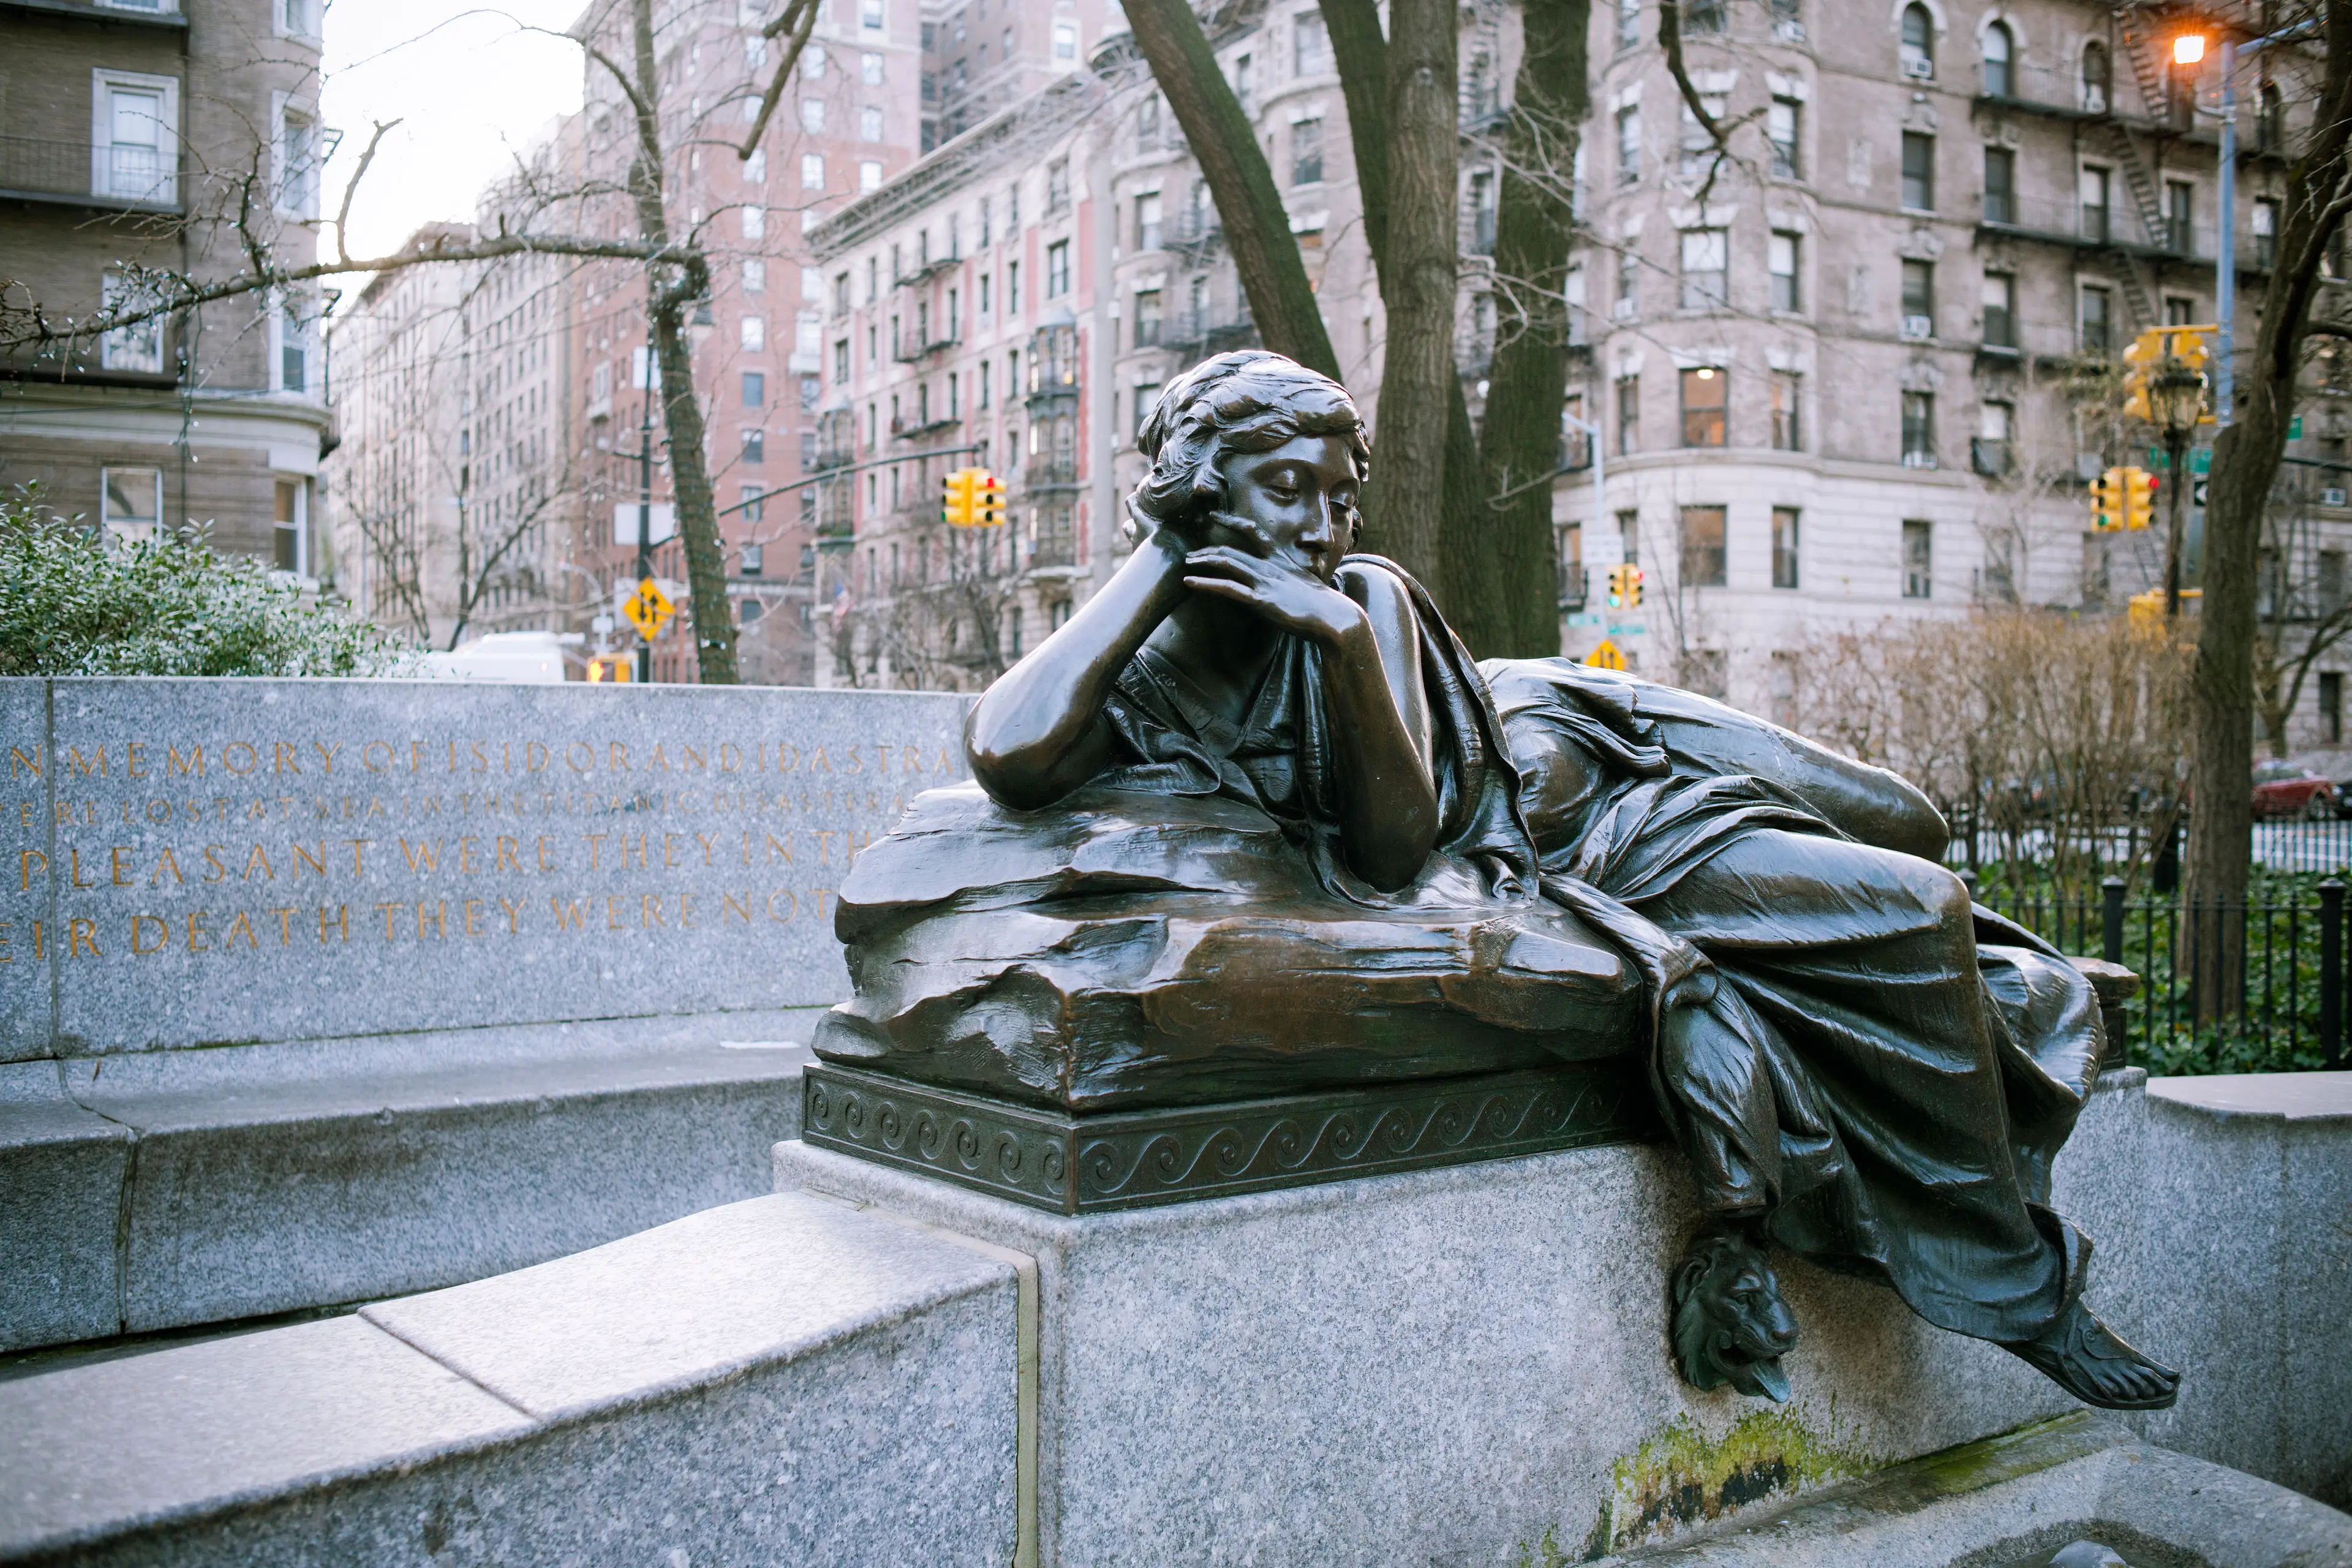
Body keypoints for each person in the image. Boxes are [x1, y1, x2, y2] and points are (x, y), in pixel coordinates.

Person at [847, 350, 2177, 1411]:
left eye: (1339, 496)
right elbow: (1015, 753)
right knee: (1918, 904)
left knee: (1912, 823)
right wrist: (1161, 557)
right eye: (1286, 490)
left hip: (1582, 753)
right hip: (1579, 850)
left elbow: (1392, 832)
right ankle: (2023, 1286)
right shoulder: (1154, 657)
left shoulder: (1364, 599)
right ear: (1199, 492)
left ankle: (2003, 1120)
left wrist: (1341, 629)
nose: (1321, 526)